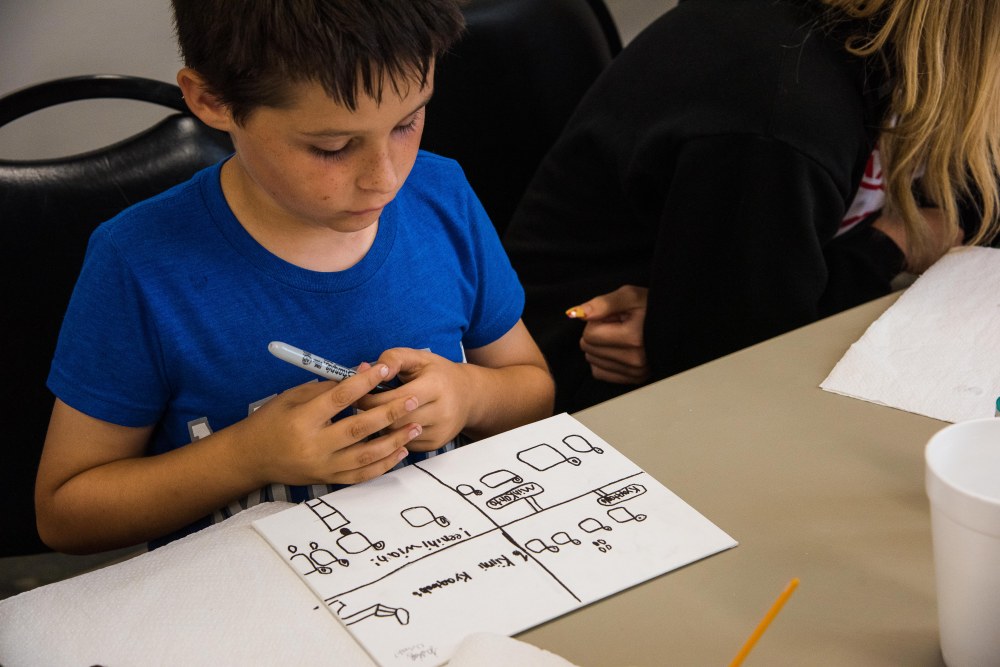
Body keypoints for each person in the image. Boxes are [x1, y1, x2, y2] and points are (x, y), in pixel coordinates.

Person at [35, 0, 554, 554]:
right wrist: (248, 456)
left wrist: (470, 395)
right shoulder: (138, 263)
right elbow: (67, 515)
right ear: (212, 101)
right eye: (331, 147)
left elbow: (533, 390)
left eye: (407, 122)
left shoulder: (441, 196)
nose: (384, 180)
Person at [504, 0, 1000, 413]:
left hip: (718, 326)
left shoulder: (915, 58)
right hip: (589, 376)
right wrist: (896, 243)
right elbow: (743, 365)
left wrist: (698, 321)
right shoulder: (781, 115)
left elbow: (979, 198)